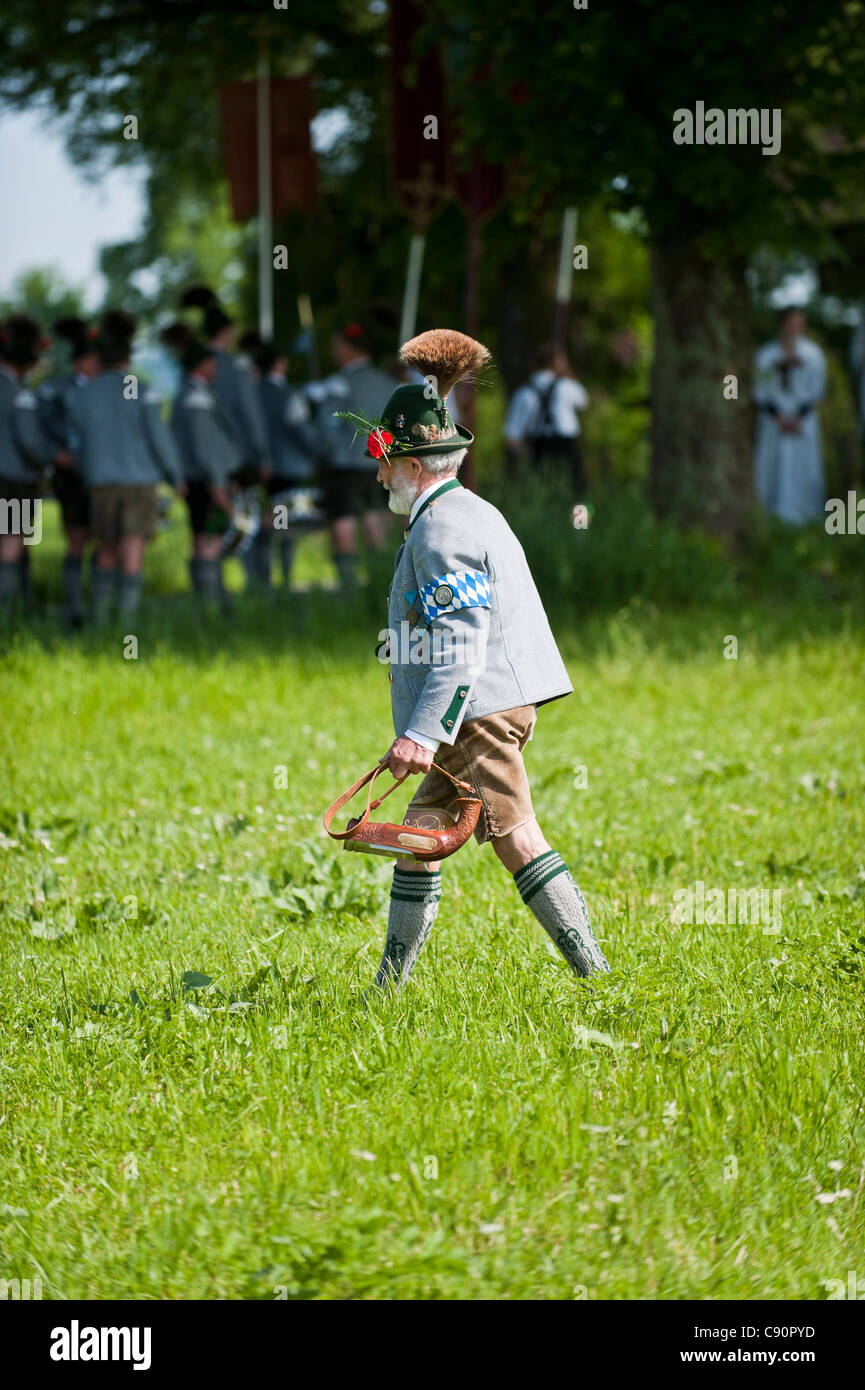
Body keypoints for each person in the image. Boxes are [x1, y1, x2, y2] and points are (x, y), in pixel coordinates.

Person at [340, 327, 610, 994]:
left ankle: (599, 979)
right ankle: (385, 989)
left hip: (479, 710)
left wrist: (418, 733)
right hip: (473, 709)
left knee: (517, 837)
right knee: (420, 839)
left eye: (383, 462)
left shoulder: (442, 527)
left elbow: (461, 639)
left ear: (410, 464)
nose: (378, 475)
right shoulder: (465, 510)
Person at [70, 310, 182, 624]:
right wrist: (175, 476)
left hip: (101, 482)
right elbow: (158, 439)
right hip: (139, 482)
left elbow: (77, 436)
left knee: (105, 550)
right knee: (132, 551)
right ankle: (128, 623)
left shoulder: (84, 394)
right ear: (127, 358)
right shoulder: (140, 390)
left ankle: (101, 620)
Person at [180, 287, 271, 591]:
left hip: (199, 465)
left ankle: (212, 595)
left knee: (207, 528)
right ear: (228, 331)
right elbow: (251, 414)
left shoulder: (191, 368)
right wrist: (262, 454)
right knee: (246, 523)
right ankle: (255, 589)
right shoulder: (237, 366)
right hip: (238, 460)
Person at [307, 322, 394, 598]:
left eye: (335, 346)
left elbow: (326, 428)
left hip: (343, 469)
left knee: (343, 529)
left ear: (346, 348)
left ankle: (348, 595)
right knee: (376, 530)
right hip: (381, 466)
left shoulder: (337, 384)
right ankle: (381, 593)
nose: (334, 352)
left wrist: (320, 453)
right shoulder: (390, 384)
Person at [165, 329, 239, 611]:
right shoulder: (195, 396)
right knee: (207, 539)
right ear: (203, 365)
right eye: (212, 362)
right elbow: (204, 444)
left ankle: (211, 602)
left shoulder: (188, 393)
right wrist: (217, 481)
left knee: (208, 537)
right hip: (206, 481)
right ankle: (210, 607)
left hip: (201, 479)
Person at [37, 317, 100, 626]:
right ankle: (70, 609)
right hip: (58, 479)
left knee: (103, 540)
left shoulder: (107, 388)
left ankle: (100, 610)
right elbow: (34, 429)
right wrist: (53, 454)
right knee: (16, 539)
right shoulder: (53, 389)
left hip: (100, 476)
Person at [244, 334, 317, 591]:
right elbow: (303, 434)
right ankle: (284, 581)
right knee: (284, 528)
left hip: (252, 470)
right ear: (280, 364)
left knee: (257, 526)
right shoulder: (290, 396)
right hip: (287, 470)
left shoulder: (248, 394)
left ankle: (260, 583)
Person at [0, 315, 54, 619]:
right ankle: (7, 616)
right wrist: (51, 457)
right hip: (14, 480)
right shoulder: (20, 394)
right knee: (12, 544)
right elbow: (31, 443)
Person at [753, 307, 827, 524]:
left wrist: (798, 417)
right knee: (771, 464)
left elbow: (816, 391)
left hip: (802, 420)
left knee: (803, 467)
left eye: (799, 324)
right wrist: (778, 417)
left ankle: (806, 515)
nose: (795, 328)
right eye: (791, 323)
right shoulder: (766, 355)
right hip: (773, 420)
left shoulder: (813, 354)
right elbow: (760, 390)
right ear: (782, 324)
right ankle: (768, 514)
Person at [504, 343, 590, 494]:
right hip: (567, 445)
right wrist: (566, 370)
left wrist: (527, 456)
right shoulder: (567, 386)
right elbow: (584, 401)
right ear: (557, 364)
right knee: (577, 492)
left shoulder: (524, 393)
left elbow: (512, 436)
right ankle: (581, 517)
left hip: (539, 447)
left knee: (543, 491)